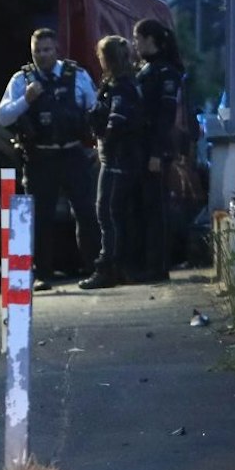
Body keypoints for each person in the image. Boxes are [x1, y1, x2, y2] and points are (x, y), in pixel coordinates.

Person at [0, 28, 99, 281]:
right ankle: (42, 273)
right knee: (40, 218)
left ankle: (93, 267)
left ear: (56, 50)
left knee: (86, 212)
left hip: (72, 153)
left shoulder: (77, 75)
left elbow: (95, 109)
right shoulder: (23, 79)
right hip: (40, 157)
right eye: (37, 51)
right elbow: (3, 116)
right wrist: (26, 100)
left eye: (47, 50)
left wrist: (98, 144)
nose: (42, 55)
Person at [82, 35, 146, 290]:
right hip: (119, 157)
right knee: (113, 214)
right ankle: (118, 266)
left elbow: (117, 121)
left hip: (118, 158)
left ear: (106, 59)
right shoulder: (123, 84)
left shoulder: (121, 86)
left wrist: (105, 142)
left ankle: (109, 268)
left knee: (107, 212)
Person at [129, 17, 185, 282]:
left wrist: (155, 154)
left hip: (155, 149)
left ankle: (158, 267)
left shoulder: (165, 73)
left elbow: (165, 117)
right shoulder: (146, 70)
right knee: (144, 207)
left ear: (150, 40)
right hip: (141, 147)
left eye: (137, 38)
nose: (134, 43)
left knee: (156, 209)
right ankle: (145, 263)